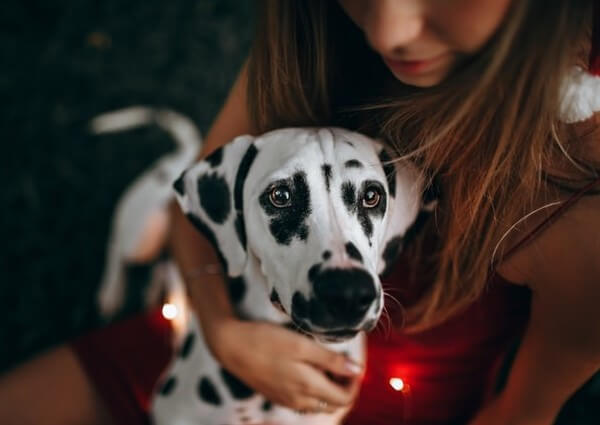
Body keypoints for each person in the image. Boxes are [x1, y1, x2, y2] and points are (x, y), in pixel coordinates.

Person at [1, 1, 599, 424]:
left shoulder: (584, 214)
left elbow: (521, 415)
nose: (386, 29)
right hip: (220, 343)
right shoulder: (328, 31)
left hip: (395, 407)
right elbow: (202, 207)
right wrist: (225, 334)